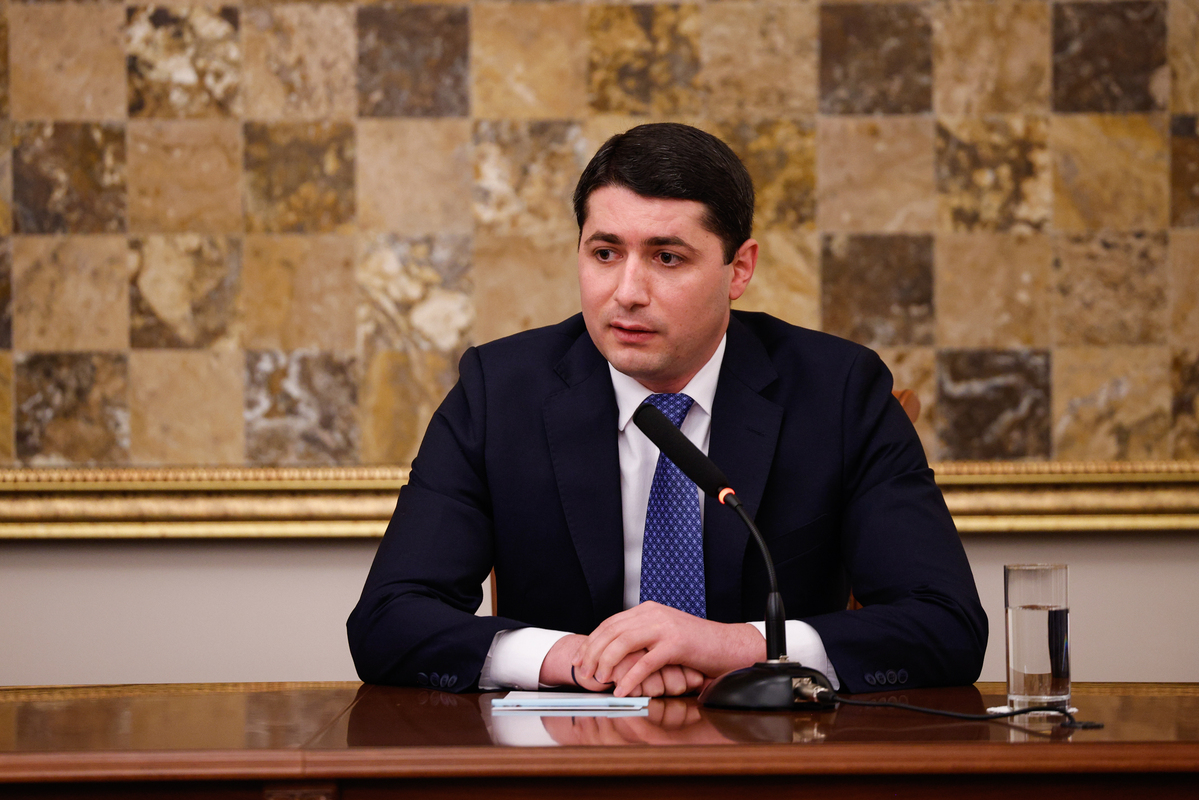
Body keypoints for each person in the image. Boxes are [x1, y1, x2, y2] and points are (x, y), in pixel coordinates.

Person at [347, 123, 987, 697]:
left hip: (774, 755)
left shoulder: (838, 391)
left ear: (739, 270)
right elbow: (388, 619)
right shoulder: (500, 392)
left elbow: (946, 623)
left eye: (667, 257)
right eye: (605, 253)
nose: (627, 292)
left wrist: (735, 647)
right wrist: (577, 657)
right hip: (568, 755)